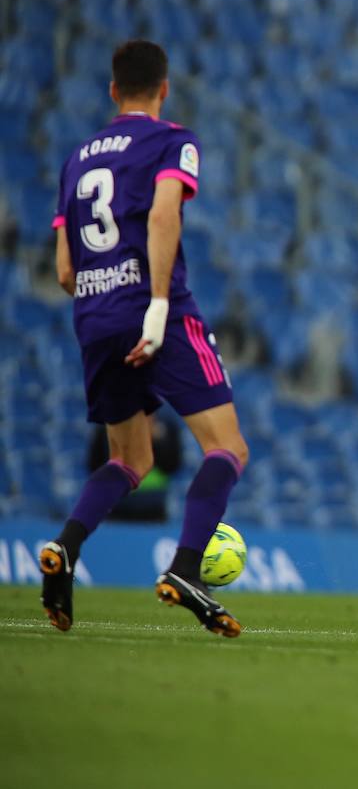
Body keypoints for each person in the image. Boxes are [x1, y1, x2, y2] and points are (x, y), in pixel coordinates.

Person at [40, 39, 250, 637]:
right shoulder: (171, 140)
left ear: (112, 90)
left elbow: (63, 271)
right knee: (228, 449)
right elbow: (164, 216)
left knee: (129, 460)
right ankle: (186, 567)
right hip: (155, 311)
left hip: (94, 316)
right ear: (164, 88)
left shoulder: (77, 160)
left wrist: (108, 299)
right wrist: (156, 307)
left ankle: (65, 549)